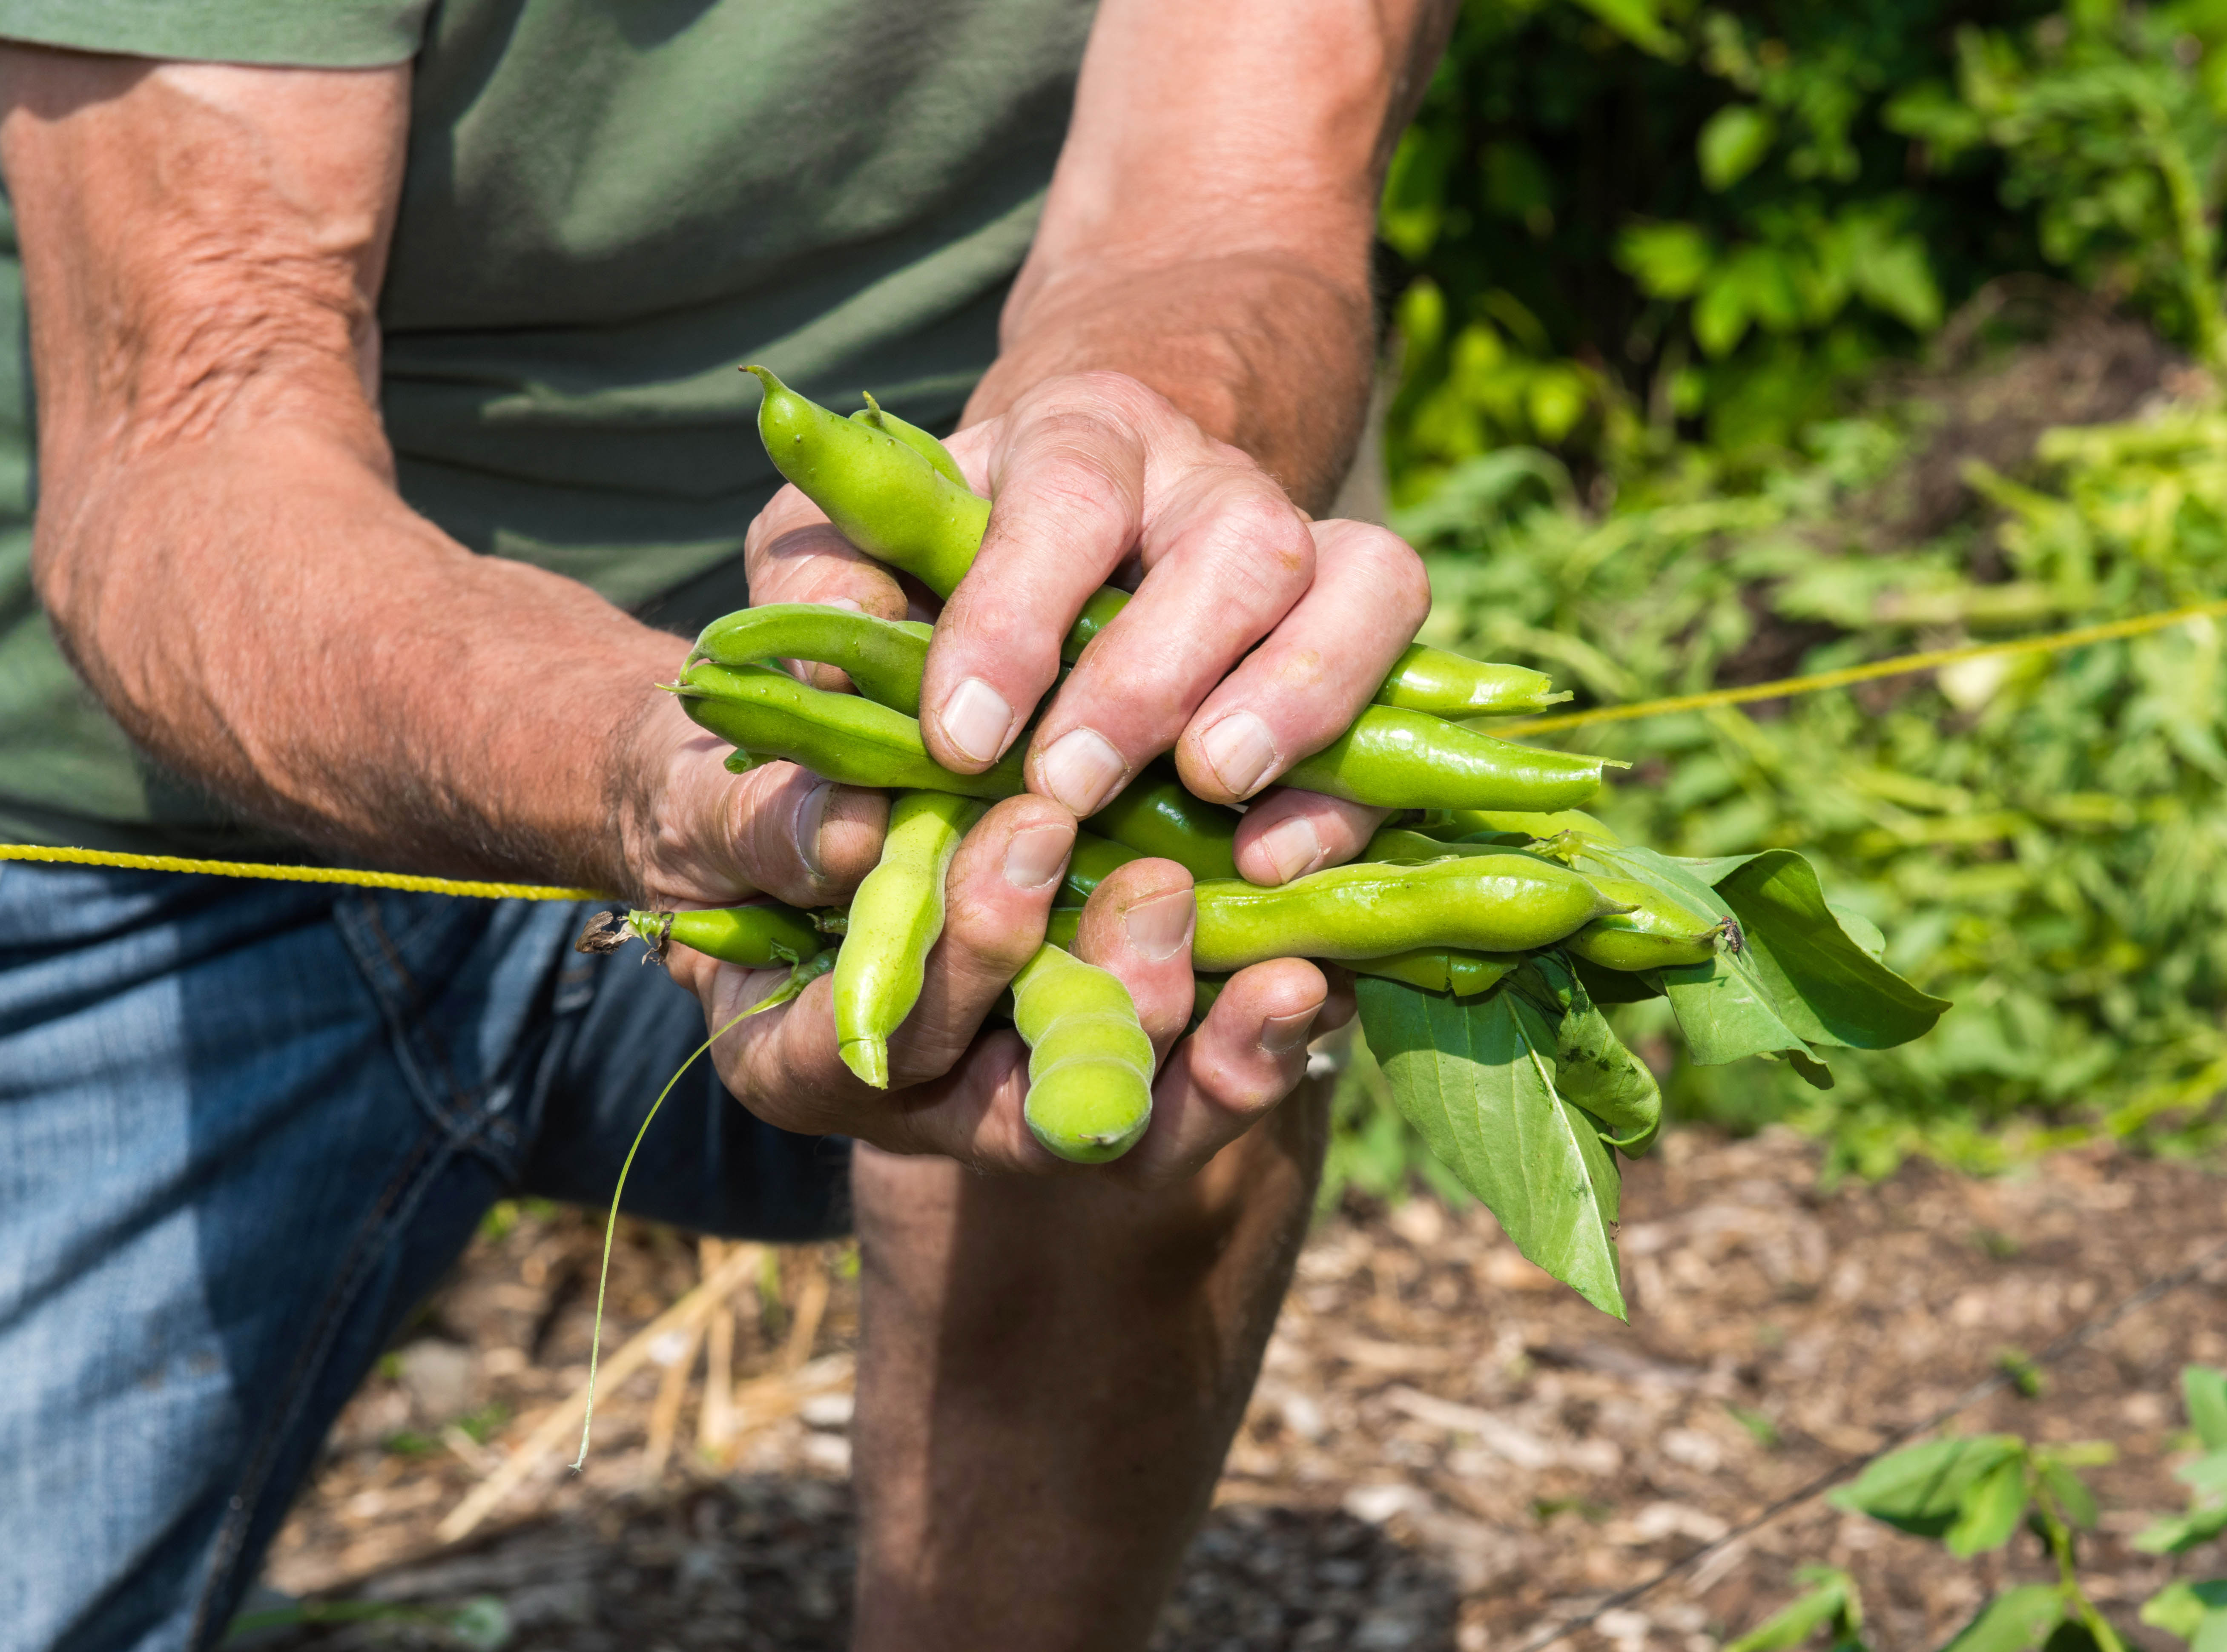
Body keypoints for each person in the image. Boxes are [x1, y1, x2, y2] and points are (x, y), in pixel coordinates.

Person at [0, 2, 1454, 1646]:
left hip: (895, 682)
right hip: (153, 830)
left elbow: (1228, 209)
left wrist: (1095, 498)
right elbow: (192, 437)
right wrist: (658, 771)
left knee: (1160, 928)